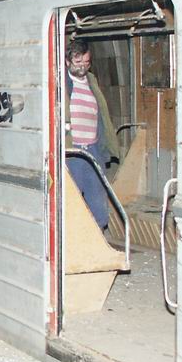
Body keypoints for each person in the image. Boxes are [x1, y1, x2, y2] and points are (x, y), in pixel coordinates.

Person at [65, 38, 118, 230]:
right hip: (73, 150)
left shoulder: (92, 81)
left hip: (93, 148)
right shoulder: (61, 83)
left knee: (98, 198)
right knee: (73, 198)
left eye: (87, 63)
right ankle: (73, 240)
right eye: (78, 63)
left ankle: (98, 238)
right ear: (67, 62)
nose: (83, 67)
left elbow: (102, 114)